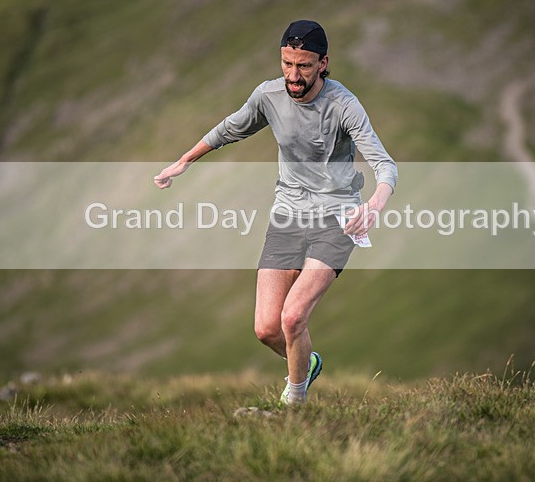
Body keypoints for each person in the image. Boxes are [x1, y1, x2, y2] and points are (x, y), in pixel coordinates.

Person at [154, 20, 397, 405]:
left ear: (323, 63)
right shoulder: (268, 96)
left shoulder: (343, 105)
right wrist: (183, 161)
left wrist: (373, 206)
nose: (293, 75)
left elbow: (386, 165)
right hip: (288, 216)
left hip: (338, 218)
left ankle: (294, 404)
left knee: (292, 318)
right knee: (268, 329)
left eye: (303, 65)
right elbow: (228, 129)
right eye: (287, 64)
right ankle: (308, 363)